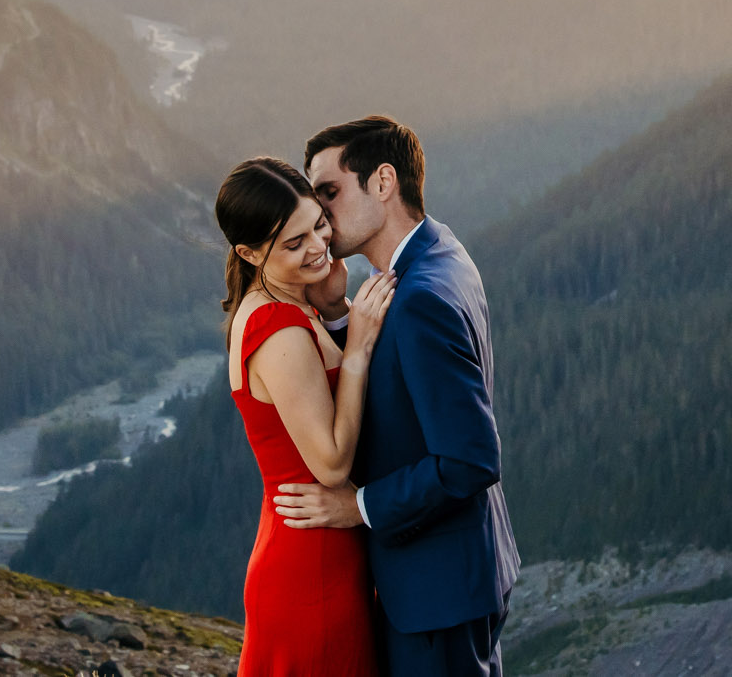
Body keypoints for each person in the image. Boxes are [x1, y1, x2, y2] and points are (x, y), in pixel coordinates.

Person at [276, 115, 520, 677]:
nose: (319, 216)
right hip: (458, 574)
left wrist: (356, 506)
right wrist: (338, 314)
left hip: (436, 594)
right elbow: (404, 386)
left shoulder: (420, 297)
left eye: (329, 193)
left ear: (383, 183)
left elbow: (469, 460)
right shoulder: (438, 254)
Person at [216, 155, 398, 677]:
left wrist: (334, 309)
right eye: (294, 244)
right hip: (312, 567)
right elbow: (332, 464)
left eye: (318, 225)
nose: (318, 247)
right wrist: (358, 347)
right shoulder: (279, 330)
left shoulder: (280, 306)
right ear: (249, 253)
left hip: (311, 549)